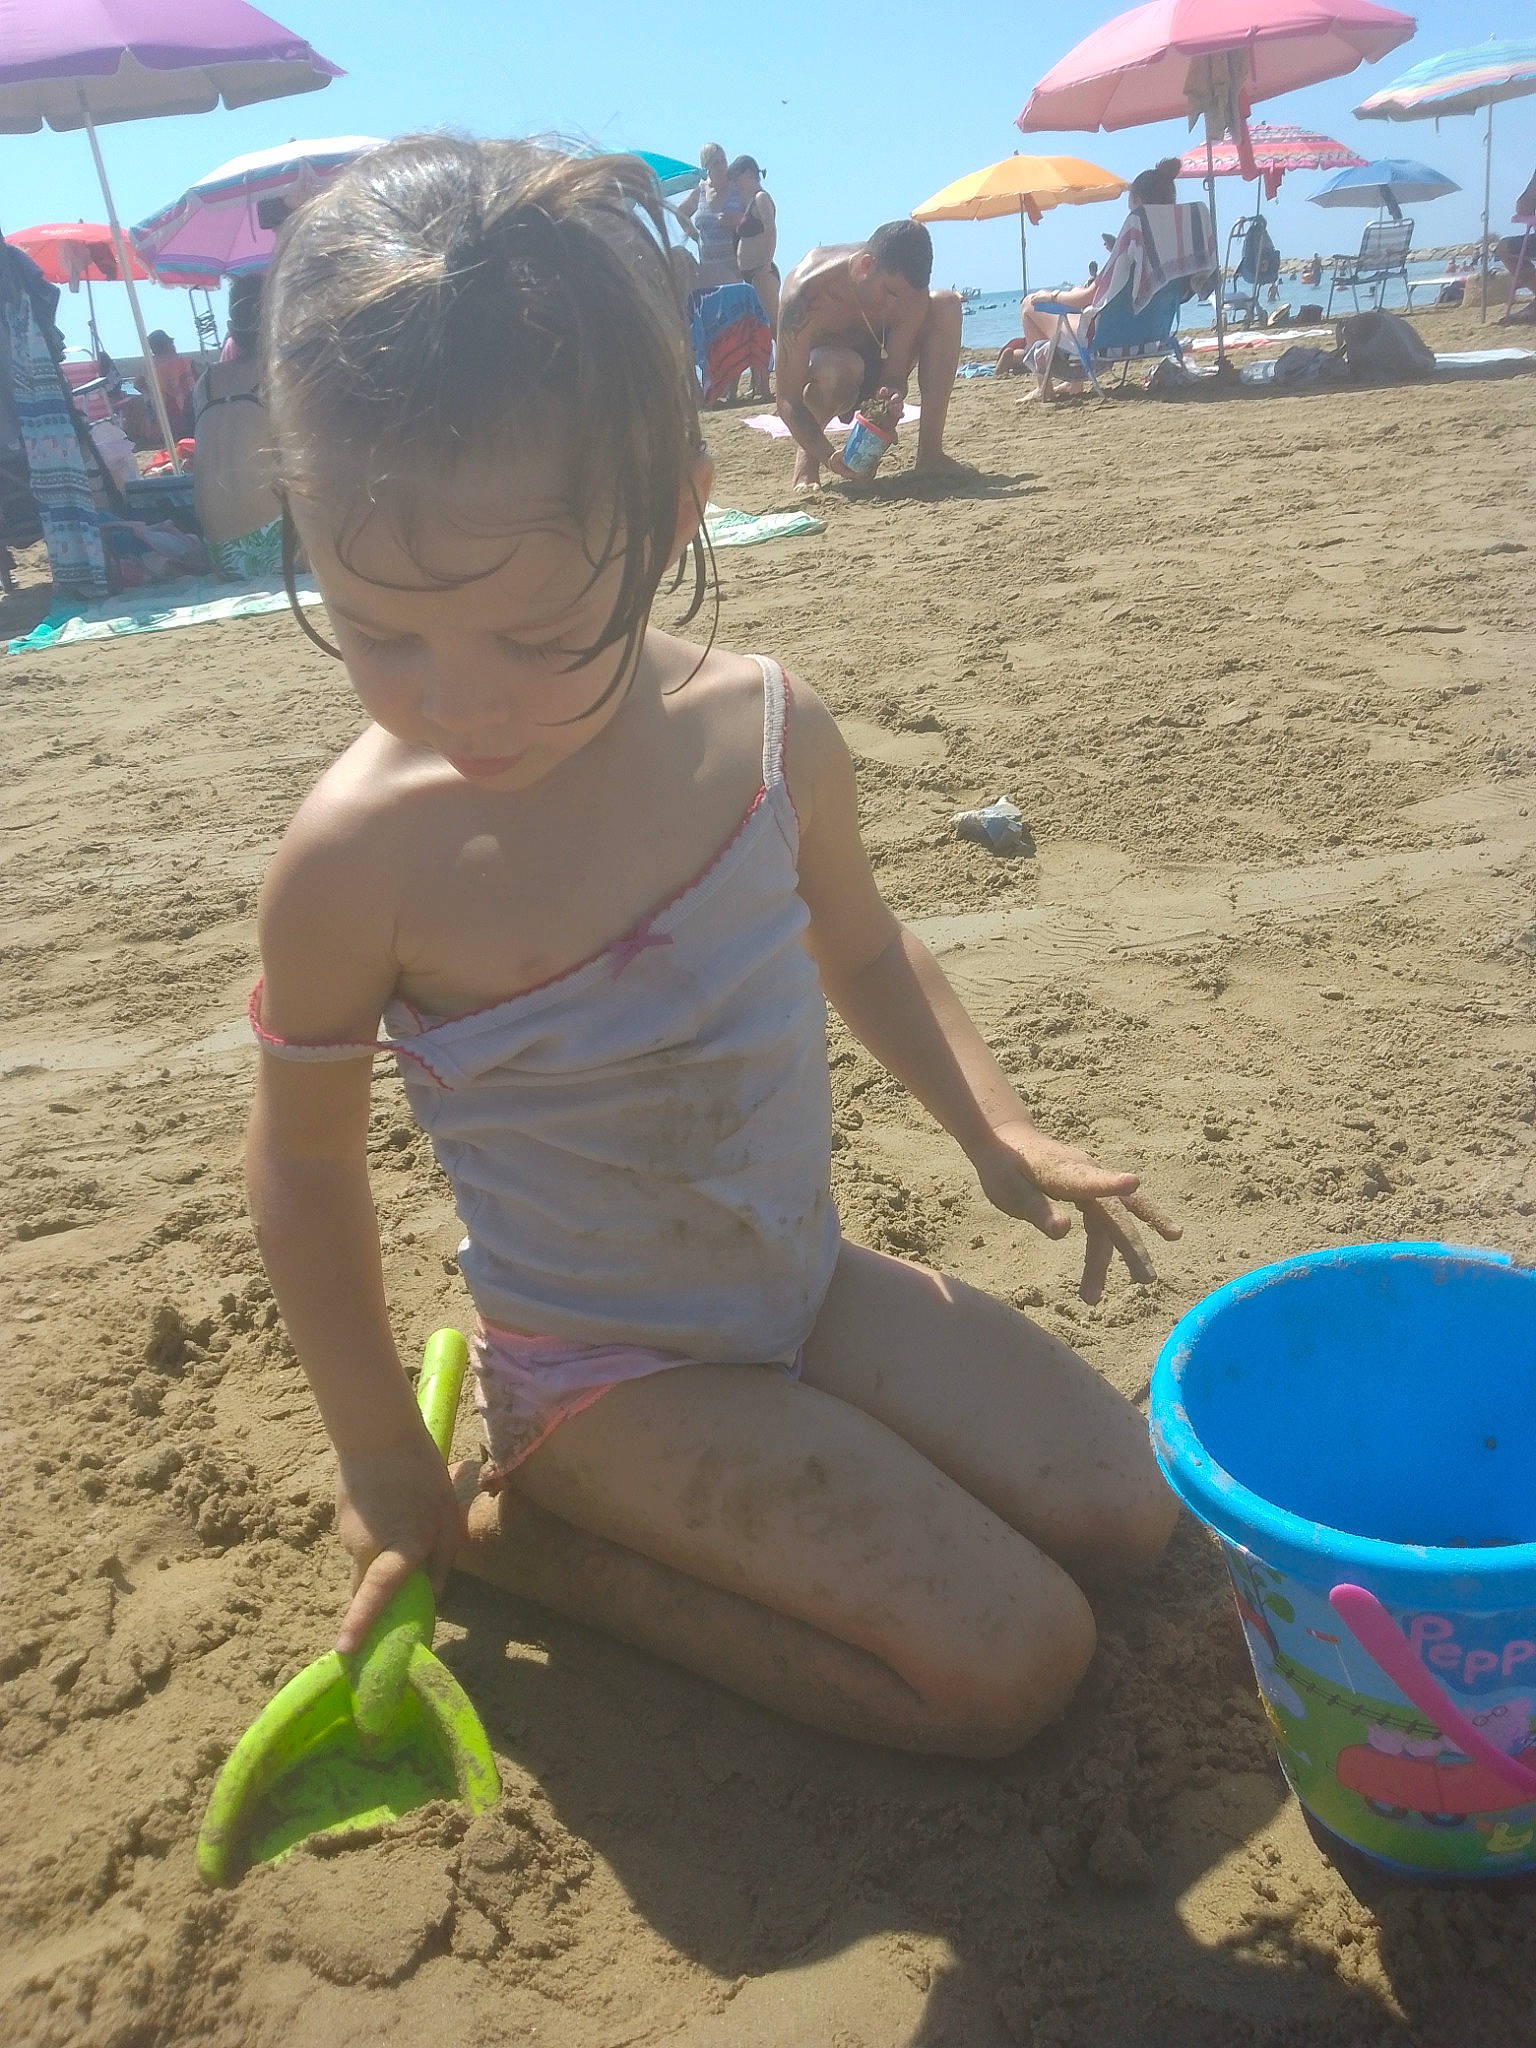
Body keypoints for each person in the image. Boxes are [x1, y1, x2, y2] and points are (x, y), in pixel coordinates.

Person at [248, 134, 1180, 1761]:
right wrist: (384, 1446)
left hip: (801, 1286)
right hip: (613, 1382)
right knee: (1013, 1659)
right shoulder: (356, 857)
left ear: (675, 505)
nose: (459, 704)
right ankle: (524, 1538)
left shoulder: (762, 736)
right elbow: (308, 1170)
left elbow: (866, 945)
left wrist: (995, 1123)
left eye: (535, 634)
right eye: (379, 629)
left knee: (1130, 1512)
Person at [775, 220, 967, 491]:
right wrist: (829, 457)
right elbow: (787, 398)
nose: (894, 305)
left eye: (904, 297)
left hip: (877, 362)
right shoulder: (807, 294)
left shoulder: (907, 293)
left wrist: (888, 405)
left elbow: (895, 375)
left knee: (946, 305)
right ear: (866, 265)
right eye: (889, 292)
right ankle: (807, 467)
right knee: (840, 366)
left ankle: (930, 455)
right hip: (831, 372)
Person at [192, 274, 281, 577]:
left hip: (222, 553)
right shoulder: (278, 376)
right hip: (276, 546)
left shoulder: (204, 383)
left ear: (231, 329)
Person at [729, 155, 777, 401]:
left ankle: (790, 377)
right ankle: (760, 384)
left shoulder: (761, 198)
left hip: (762, 271)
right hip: (751, 273)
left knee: (775, 327)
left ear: (748, 174)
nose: (735, 185)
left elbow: (770, 229)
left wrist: (766, 263)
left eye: (737, 179)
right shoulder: (749, 202)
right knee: (756, 328)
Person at [674, 143, 744, 292]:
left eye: (723, 161)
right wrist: (695, 235)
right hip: (708, 268)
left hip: (734, 268)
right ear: (706, 167)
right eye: (715, 162)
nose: (721, 166)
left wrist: (738, 219)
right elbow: (680, 212)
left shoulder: (737, 188)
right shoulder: (701, 191)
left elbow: (754, 212)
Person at [145, 328, 196, 443]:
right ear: (167, 345)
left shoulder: (152, 366)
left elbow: (138, 383)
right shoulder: (182, 362)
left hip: (166, 418)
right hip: (186, 414)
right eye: (171, 343)